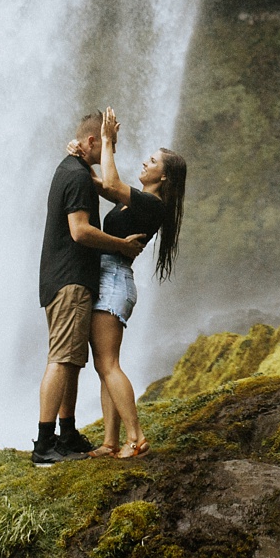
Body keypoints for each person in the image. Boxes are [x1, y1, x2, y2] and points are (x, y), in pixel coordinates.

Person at [69, 106, 187, 459]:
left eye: (152, 162)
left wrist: (106, 141)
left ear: (163, 177)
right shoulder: (134, 202)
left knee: (109, 364)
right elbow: (101, 184)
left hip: (115, 280)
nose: (145, 164)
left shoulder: (153, 204)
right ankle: (110, 442)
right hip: (110, 278)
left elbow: (110, 183)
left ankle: (135, 438)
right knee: (105, 364)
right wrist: (79, 156)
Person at [32, 112, 149, 466]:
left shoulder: (74, 169)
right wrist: (121, 246)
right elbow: (80, 231)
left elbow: (106, 185)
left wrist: (92, 149)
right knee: (62, 358)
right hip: (70, 281)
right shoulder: (78, 176)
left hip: (66, 278)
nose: (111, 148)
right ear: (91, 142)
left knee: (72, 361)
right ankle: (44, 443)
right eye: (107, 141)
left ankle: (65, 433)